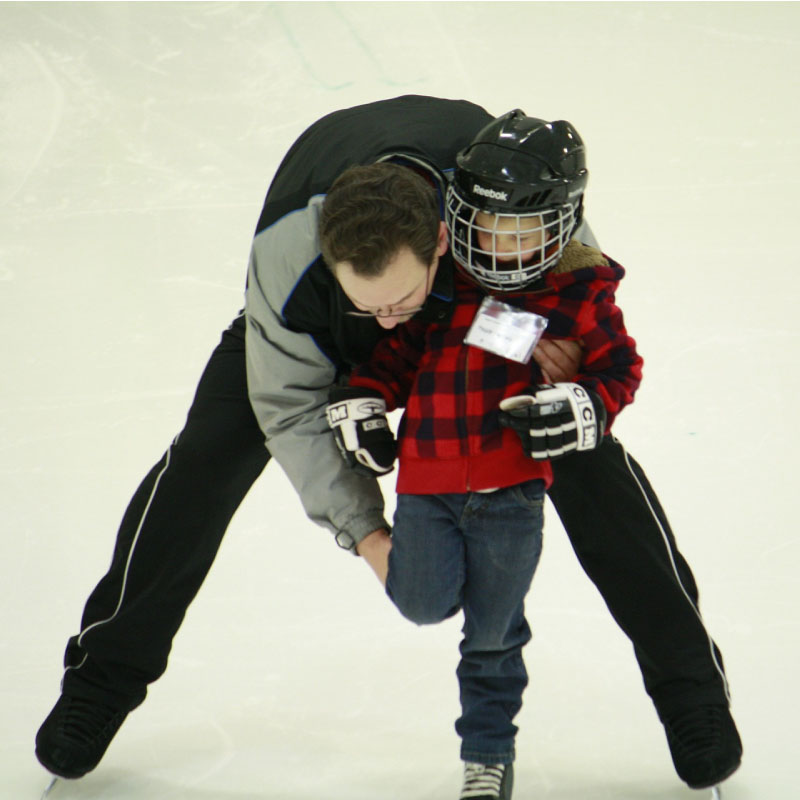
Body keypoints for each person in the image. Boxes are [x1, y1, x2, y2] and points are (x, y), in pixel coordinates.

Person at [34, 96, 740, 791]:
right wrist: (367, 532)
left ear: (444, 237)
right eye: (367, 304)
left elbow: (582, 303)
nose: (385, 317)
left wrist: (572, 372)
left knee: (588, 462)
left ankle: (692, 693)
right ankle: (100, 682)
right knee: (202, 462)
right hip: (319, 338)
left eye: (398, 300)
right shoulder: (290, 255)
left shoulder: (506, 196)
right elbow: (287, 406)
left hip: (470, 318)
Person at [321, 113, 643, 799]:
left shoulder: (579, 292)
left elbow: (621, 368)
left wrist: (585, 404)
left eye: (521, 230)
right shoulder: (445, 284)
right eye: (489, 225)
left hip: (511, 496)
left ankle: (487, 757)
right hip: (427, 487)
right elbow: (399, 356)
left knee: (493, 639)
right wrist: (365, 399)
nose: (500, 245)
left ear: (559, 223)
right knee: (420, 602)